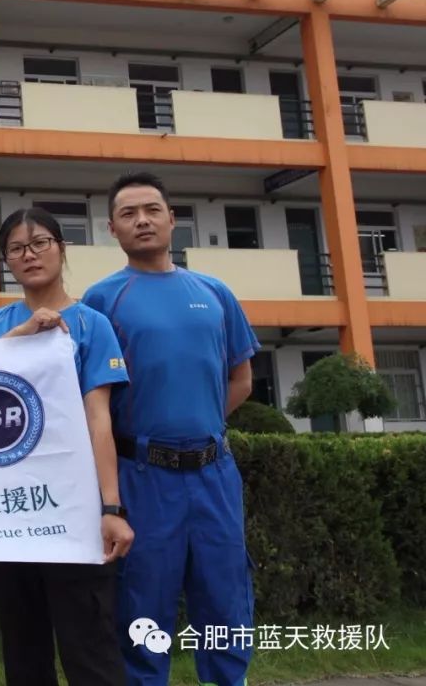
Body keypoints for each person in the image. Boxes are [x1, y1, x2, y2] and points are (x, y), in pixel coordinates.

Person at [82, 171, 259, 686]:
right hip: (142, 477)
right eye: (129, 214)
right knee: (142, 610)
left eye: (152, 210)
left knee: (225, 603)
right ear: (112, 229)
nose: (143, 221)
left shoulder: (214, 292)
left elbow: (242, 379)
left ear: (173, 219)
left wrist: (196, 426)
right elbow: (91, 396)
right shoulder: (101, 300)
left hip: (214, 476)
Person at [0, 206, 133, 686]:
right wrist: (18, 336)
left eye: (40, 242)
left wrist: (111, 506)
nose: (29, 255)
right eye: (16, 248)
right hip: (10, 512)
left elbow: (98, 419)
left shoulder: (91, 325)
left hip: (74, 509)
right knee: (23, 651)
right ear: (6, 261)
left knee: (90, 649)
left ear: (62, 249)